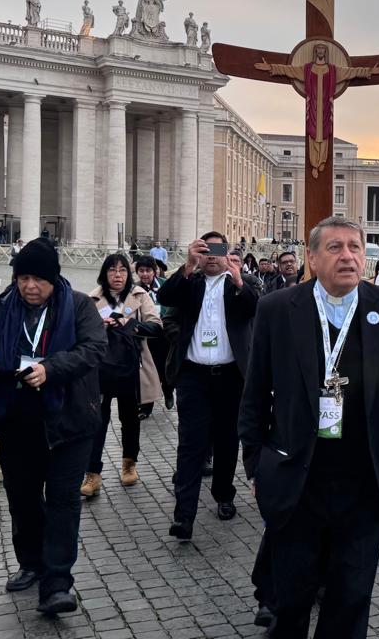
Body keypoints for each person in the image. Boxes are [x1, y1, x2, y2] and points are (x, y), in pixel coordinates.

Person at [240, 216, 379, 638]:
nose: (349, 256)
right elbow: (254, 395)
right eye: (335, 247)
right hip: (298, 479)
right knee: (291, 599)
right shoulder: (278, 309)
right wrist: (257, 466)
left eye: (355, 246)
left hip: (363, 482)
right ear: (312, 258)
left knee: (351, 597)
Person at [0, 237, 107, 615]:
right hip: (16, 422)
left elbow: (92, 349)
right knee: (22, 499)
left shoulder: (78, 307)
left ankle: (57, 581)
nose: (30, 286)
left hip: (69, 422)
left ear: (53, 279)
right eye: (23, 277)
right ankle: (31, 561)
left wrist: (50, 370)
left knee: (62, 502)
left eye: (38, 279)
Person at [158, 231, 258, 539]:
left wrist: (238, 277)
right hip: (194, 376)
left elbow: (256, 306)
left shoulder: (240, 284)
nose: (211, 256)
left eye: (217, 250)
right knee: (191, 444)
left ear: (227, 253)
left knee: (228, 440)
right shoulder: (190, 283)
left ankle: (224, 494)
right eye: (206, 249)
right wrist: (188, 265)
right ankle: (183, 516)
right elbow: (165, 298)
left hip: (230, 375)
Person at [82, 254, 161, 496]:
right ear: (104, 273)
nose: (118, 275)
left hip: (130, 367)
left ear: (129, 273)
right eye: (113, 270)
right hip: (101, 368)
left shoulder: (139, 296)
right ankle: (92, 473)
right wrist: (100, 326)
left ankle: (129, 464)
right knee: (97, 421)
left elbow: (156, 326)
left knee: (130, 418)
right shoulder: (92, 299)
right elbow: (80, 331)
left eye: (123, 270)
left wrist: (129, 323)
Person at [133, 255, 173, 414]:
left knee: (164, 366)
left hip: (164, 333)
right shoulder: (134, 289)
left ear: (154, 271)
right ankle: (146, 405)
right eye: (141, 271)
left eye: (148, 270)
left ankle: (168, 390)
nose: (144, 274)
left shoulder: (165, 285)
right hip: (145, 334)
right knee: (147, 369)